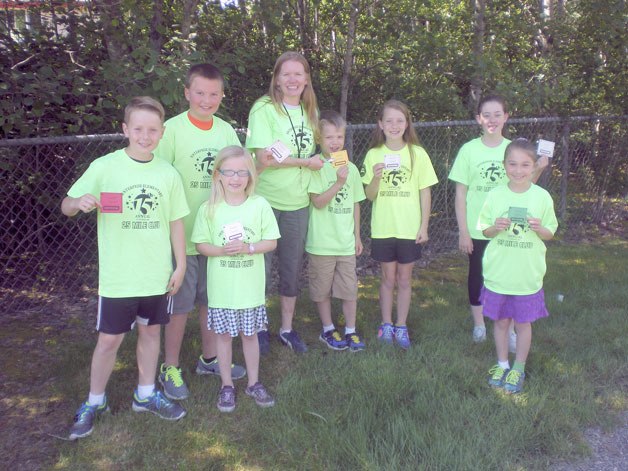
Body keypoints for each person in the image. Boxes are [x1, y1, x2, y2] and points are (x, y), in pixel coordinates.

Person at [62, 97, 188, 440]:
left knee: (150, 334)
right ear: (125, 130)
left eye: (152, 130)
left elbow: (176, 222)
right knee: (109, 340)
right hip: (119, 278)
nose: (145, 136)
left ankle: (145, 395)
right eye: (138, 129)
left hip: (156, 276)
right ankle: (95, 401)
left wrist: (181, 264)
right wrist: (78, 202)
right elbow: (66, 205)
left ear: (161, 133)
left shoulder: (167, 173)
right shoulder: (106, 167)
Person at [154, 63, 246, 401]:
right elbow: (158, 176)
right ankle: (170, 366)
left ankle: (209, 359)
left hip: (216, 236)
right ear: (187, 93)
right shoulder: (171, 130)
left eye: (214, 94)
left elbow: (240, 173)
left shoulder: (225, 131)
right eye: (200, 93)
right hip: (183, 238)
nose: (207, 100)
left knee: (212, 300)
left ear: (221, 96)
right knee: (180, 307)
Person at [448, 95, 548, 347]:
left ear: (506, 117)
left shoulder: (513, 149)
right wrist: (463, 231)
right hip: (478, 228)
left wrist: (539, 169)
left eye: (497, 114)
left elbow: (523, 186)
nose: (491, 120)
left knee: (510, 278)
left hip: (507, 229)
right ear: (478, 119)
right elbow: (460, 194)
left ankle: (512, 329)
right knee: (477, 275)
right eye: (486, 115)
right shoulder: (468, 150)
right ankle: (480, 325)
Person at [245, 51, 323, 354]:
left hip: (298, 203)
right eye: (286, 74)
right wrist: (306, 161)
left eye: (298, 74)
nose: (292, 80)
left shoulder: (309, 112)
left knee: (291, 269)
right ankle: (259, 327)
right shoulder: (263, 109)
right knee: (260, 269)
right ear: (276, 79)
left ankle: (287, 329)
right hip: (265, 202)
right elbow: (264, 157)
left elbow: (320, 153)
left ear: (306, 79)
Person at [192, 146, 280, 412]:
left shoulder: (259, 205)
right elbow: (200, 245)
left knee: (250, 335)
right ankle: (227, 385)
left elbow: (272, 241)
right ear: (218, 174)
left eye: (242, 172)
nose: (235, 178)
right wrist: (221, 250)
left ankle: (253, 382)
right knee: (224, 337)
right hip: (222, 291)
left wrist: (249, 247)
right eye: (229, 172)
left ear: (251, 176)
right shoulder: (208, 209)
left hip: (249, 290)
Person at [478, 138, 558, 394]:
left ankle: (518, 368)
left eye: (525, 164)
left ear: (534, 166)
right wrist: (495, 226)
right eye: (512, 164)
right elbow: (485, 230)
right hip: (499, 274)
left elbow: (550, 234)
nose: (518, 170)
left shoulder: (542, 197)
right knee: (501, 322)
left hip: (526, 276)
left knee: (523, 324)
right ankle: (502, 364)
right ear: (504, 165)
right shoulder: (495, 194)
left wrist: (539, 227)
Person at [361, 100, 438, 349]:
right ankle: (386, 324)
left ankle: (401, 325)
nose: (394, 125)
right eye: (389, 121)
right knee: (387, 278)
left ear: (407, 124)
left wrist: (423, 226)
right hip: (383, 227)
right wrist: (375, 177)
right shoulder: (374, 154)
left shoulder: (418, 154)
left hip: (409, 228)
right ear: (380, 125)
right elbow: (369, 195)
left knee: (405, 279)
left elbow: (425, 193)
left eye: (400, 120)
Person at [306, 110, 366, 352]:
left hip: (345, 243)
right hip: (321, 243)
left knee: (349, 289)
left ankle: (351, 331)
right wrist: (338, 182)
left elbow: (355, 204)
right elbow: (318, 202)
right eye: (329, 137)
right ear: (319, 139)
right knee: (322, 290)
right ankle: (328, 328)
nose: (335, 142)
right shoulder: (315, 166)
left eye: (339, 137)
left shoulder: (349, 167)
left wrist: (357, 236)